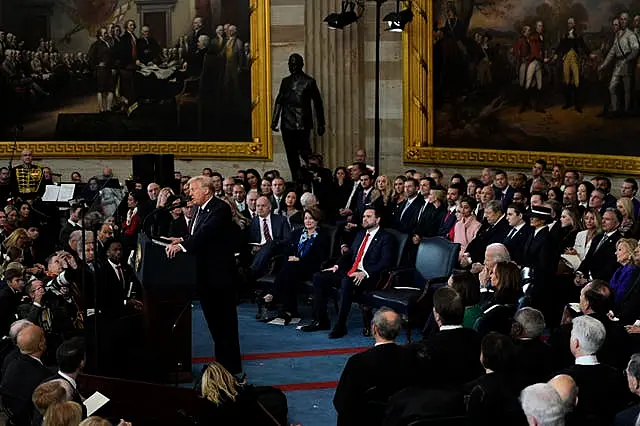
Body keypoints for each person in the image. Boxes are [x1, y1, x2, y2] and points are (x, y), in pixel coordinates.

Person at [166, 176, 242, 376]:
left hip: (220, 278)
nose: (189, 193)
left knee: (225, 326)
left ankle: (231, 368)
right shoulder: (200, 209)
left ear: (206, 190)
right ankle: (222, 366)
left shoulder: (220, 209)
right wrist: (183, 238)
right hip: (206, 278)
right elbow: (198, 234)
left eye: (192, 189)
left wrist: (182, 246)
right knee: (215, 326)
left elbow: (208, 233)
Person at [301, 205, 395, 338]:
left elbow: (386, 262)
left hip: (370, 276)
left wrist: (365, 273)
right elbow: (349, 254)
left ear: (378, 219)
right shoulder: (361, 234)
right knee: (319, 277)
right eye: (363, 216)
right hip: (351, 271)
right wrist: (337, 266)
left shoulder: (386, 237)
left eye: (368, 217)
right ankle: (321, 321)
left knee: (346, 281)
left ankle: (341, 325)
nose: (365, 219)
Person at [333, 308, 419, 425]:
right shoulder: (413, 357)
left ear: (374, 328)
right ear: (399, 330)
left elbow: (341, 403)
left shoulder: (358, 362)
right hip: (403, 420)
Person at [271, 53, 325, 180]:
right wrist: (274, 120)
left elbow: (318, 103)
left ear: (301, 65)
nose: (292, 66)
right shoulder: (285, 82)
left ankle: (312, 177)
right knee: (291, 154)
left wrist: (321, 123)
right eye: (290, 64)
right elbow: (279, 100)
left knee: (306, 152)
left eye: (294, 64)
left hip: (303, 123)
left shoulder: (309, 82)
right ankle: (296, 179)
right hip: (287, 122)